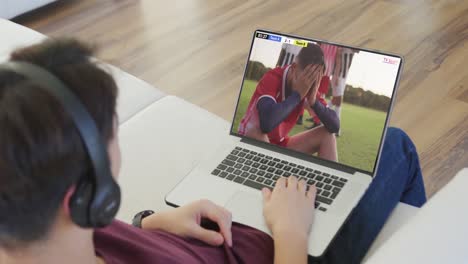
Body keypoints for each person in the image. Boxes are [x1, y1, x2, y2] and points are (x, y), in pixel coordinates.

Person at [0, 39, 426, 264]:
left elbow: (107, 243)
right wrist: (292, 233)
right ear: (85, 197)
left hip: (225, 229)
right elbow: (271, 115)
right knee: (398, 146)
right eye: (111, 131)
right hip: (286, 245)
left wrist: (150, 224)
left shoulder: (49, 228)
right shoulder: (273, 82)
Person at [238, 44, 339, 162]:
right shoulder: (274, 76)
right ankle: (278, 174)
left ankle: (326, 179)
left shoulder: (309, 88)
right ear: (294, 67)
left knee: (327, 135)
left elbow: (335, 126)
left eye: (315, 80)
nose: (310, 84)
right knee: (255, 130)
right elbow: (266, 124)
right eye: (307, 77)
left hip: (279, 145)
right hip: (251, 140)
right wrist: (297, 95)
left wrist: (313, 101)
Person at [328, 47, 358, 136]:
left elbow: (357, 50)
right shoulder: (341, 48)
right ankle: (337, 128)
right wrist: (336, 76)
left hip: (344, 78)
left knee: (335, 101)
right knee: (339, 102)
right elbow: (338, 61)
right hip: (338, 76)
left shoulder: (352, 49)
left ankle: (321, 116)